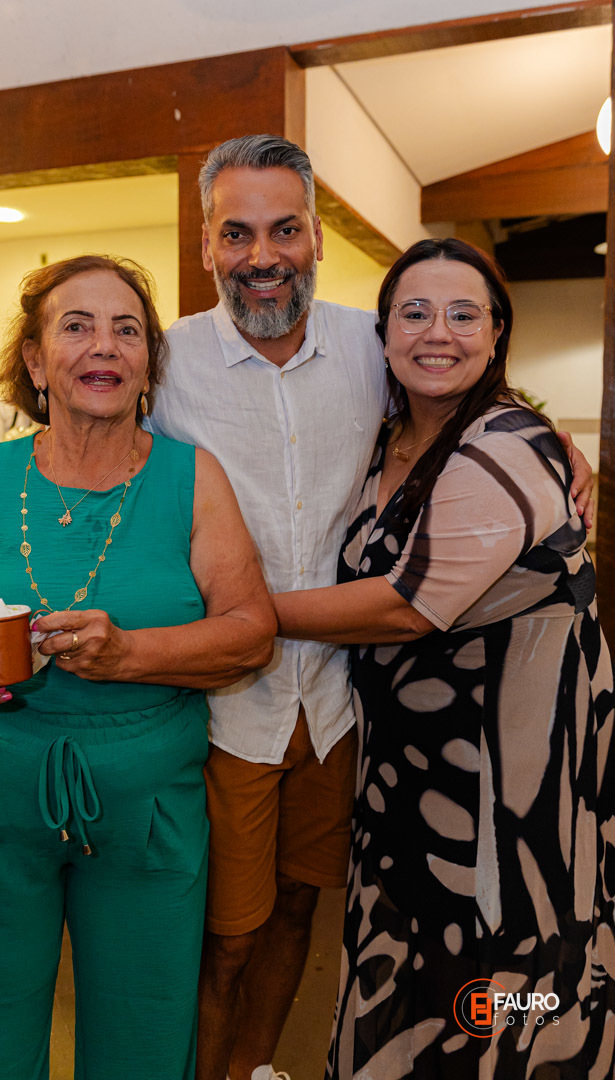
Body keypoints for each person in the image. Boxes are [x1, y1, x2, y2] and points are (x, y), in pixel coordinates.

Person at [0, 137, 596, 1080]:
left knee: (300, 907)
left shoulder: (372, 344)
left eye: (284, 230)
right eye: (236, 233)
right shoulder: (166, 356)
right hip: (227, 701)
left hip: (343, 697)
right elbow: (58, 452)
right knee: (217, 934)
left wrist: (546, 437)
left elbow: (457, 386)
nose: (262, 255)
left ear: (315, 237)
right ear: (206, 244)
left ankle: (253, 1069)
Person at [0, 254, 275, 1080]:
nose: (103, 345)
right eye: (76, 327)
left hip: (147, 805)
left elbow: (251, 634)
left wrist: (130, 653)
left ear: (147, 363)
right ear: (36, 362)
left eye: (126, 330)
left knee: (143, 1031)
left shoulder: (192, 478)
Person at [272, 238, 615, 1079]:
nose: (437, 333)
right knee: (416, 972)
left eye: (464, 314)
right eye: (414, 313)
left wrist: (238, 618)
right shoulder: (390, 438)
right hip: (414, 770)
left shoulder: (506, 442)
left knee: (504, 981)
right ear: (382, 335)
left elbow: (408, 604)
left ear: (497, 334)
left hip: (507, 777)